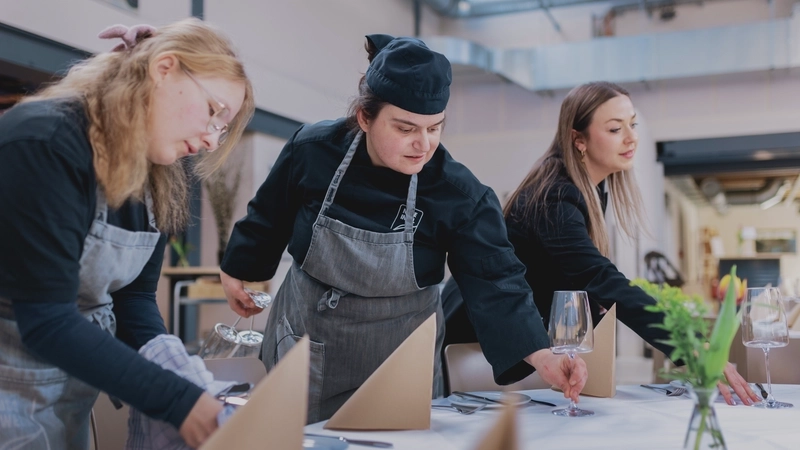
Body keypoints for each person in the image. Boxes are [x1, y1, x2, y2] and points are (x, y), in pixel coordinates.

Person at [219, 34, 587, 423]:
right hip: (305, 349)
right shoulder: (313, 149)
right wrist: (239, 267)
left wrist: (543, 356)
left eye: (434, 128)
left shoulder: (458, 194)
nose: (422, 145)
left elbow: (497, 281)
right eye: (406, 128)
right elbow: (268, 215)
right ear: (365, 117)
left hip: (400, 364)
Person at [0, 19, 254, 449]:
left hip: (65, 395)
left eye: (223, 129)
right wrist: (179, 400)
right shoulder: (45, 141)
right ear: (164, 69)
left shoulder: (155, 176)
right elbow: (46, 319)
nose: (213, 140)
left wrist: (190, 380)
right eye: (214, 112)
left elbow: (132, 301)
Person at [442, 81, 761, 406]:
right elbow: (598, 278)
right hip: (478, 330)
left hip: (515, 337)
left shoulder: (590, 189)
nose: (631, 137)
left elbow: (583, 278)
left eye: (632, 124)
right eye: (614, 128)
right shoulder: (555, 193)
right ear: (578, 139)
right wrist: (690, 348)